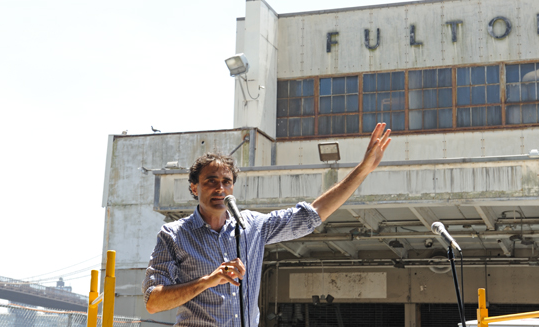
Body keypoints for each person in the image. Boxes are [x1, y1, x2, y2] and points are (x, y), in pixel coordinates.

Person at [142, 123, 392, 326]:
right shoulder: (173, 235)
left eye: (226, 182)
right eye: (210, 181)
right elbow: (153, 301)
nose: (220, 188)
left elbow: (311, 214)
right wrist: (208, 280)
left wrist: (363, 169)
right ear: (194, 188)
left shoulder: (251, 225)